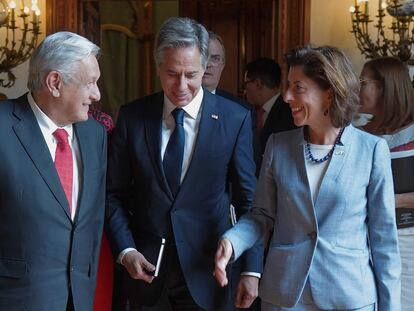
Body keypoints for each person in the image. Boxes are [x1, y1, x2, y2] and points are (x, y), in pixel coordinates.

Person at [214, 45, 401, 310]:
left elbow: (383, 240)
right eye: (287, 86)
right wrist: (233, 241)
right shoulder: (278, 146)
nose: (287, 96)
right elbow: (261, 215)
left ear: (329, 93)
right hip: (285, 295)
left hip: (349, 296)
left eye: (298, 88)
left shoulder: (372, 150)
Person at [106, 17, 261, 311]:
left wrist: (252, 270)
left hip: (210, 272)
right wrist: (126, 250)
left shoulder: (234, 118)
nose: (181, 86)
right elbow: (114, 194)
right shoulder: (132, 117)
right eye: (171, 74)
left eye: (191, 74)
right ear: (157, 68)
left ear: (205, 67)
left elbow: (248, 202)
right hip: (145, 273)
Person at [0, 31, 106, 310]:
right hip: (16, 299)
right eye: (90, 83)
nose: (97, 95)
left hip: (79, 299)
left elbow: (92, 221)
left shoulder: (96, 135)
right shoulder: (1, 128)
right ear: (55, 82)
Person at [359, 56, 414, 311]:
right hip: (364, 242)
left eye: (362, 82)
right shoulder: (358, 133)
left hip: (407, 242)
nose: (355, 89)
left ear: (384, 87)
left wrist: (392, 201)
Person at [243, 58, 296, 174]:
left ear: (258, 83)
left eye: (246, 83)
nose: (244, 91)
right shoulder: (250, 112)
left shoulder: (291, 114)